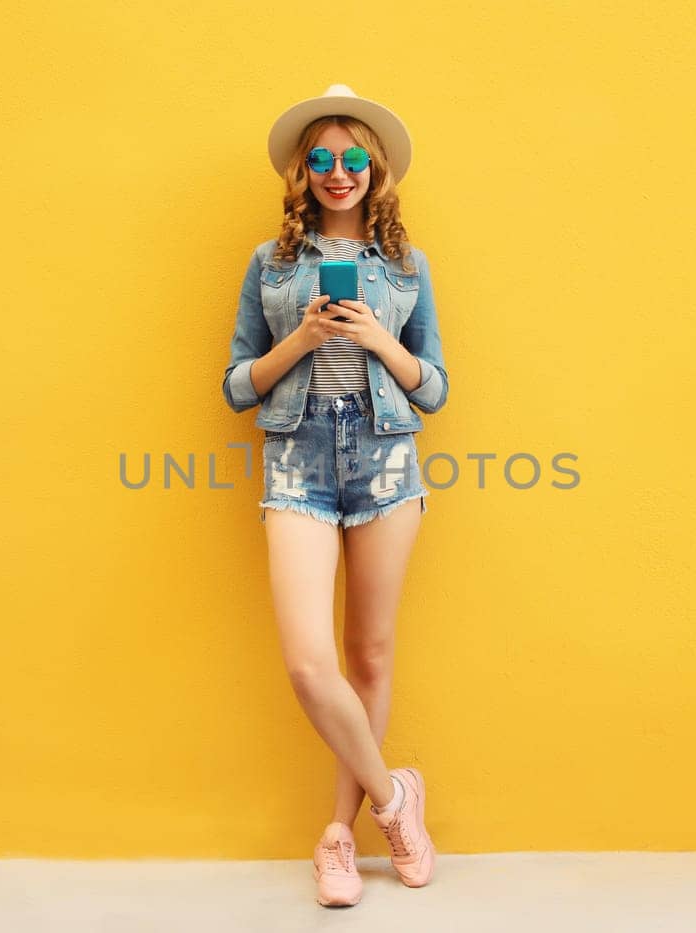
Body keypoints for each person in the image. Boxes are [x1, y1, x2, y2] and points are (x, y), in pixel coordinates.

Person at [221, 84, 450, 907]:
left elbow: (435, 389)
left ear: (376, 168)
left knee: (370, 656)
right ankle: (396, 799)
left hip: (386, 464)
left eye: (355, 157)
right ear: (301, 171)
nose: (339, 171)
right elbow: (237, 384)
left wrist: (378, 338)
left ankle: (341, 836)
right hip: (298, 464)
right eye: (321, 157)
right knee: (310, 665)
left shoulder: (406, 267)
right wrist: (305, 339)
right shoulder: (271, 264)